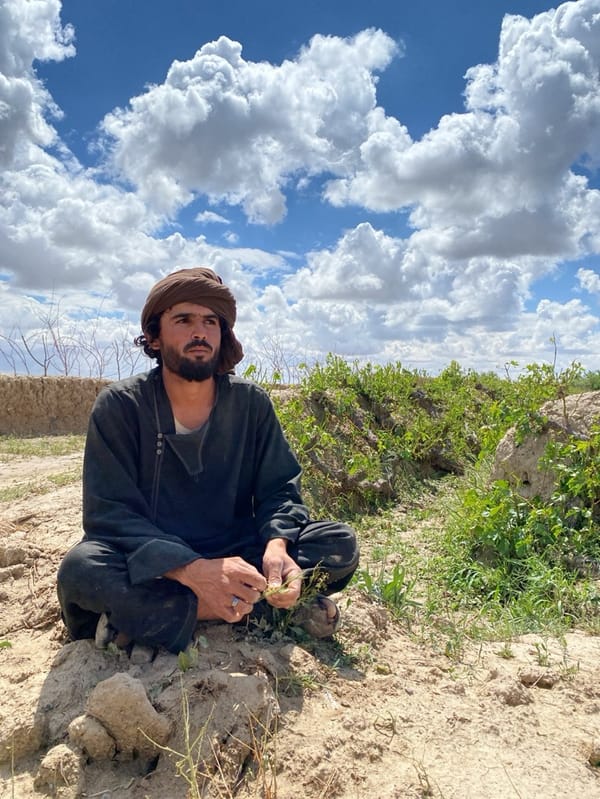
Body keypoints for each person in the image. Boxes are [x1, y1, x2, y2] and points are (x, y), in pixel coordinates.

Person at [57, 266, 359, 655]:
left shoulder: (250, 404)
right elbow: (109, 515)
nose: (199, 332)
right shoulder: (121, 406)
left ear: (223, 332)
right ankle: (251, 608)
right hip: (155, 561)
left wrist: (276, 547)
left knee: (338, 544)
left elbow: (279, 489)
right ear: (154, 334)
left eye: (210, 321)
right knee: (82, 569)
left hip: (236, 550)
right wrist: (193, 570)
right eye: (183, 319)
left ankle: (167, 616)